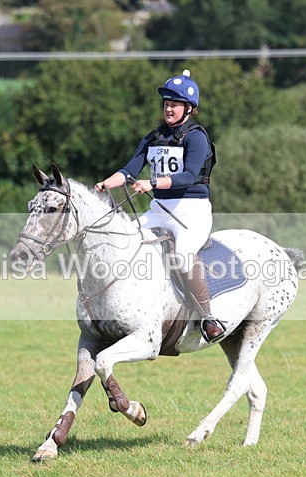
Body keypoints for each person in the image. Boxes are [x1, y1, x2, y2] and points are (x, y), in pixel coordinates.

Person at [95, 70, 225, 342]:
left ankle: (207, 317)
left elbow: (189, 176)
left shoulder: (196, 137)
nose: (168, 107)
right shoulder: (154, 137)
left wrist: (152, 183)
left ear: (189, 108)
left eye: (174, 103)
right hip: (159, 210)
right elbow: (129, 170)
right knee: (124, 241)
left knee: (183, 254)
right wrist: (108, 183)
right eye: (166, 102)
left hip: (191, 211)